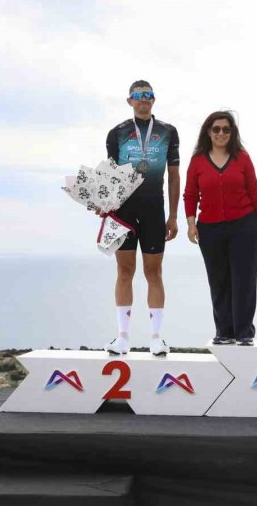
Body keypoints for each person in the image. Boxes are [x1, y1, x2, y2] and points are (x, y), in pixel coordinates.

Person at [102, 80, 180, 357]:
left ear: (154, 100)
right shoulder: (117, 133)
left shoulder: (168, 132)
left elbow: (173, 176)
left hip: (154, 210)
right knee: (124, 272)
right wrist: (103, 206)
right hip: (122, 211)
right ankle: (122, 338)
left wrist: (173, 216)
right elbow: (109, 177)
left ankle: (156, 338)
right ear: (130, 101)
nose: (144, 100)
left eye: (148, 96)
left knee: (153, 273)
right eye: (139, 96)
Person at [185, 112, 257, 346]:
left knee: (244, 279)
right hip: (209, 229)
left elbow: (254, 188)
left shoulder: (242, 157)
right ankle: (224, 331)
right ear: (208, 132)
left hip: (244, 225)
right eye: (216, 129)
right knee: (218, 280)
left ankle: (244, 332)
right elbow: (190, 194)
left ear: (232, 133)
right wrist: (191, 223)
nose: (221, 133)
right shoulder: (198, 161)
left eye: (226, 129)